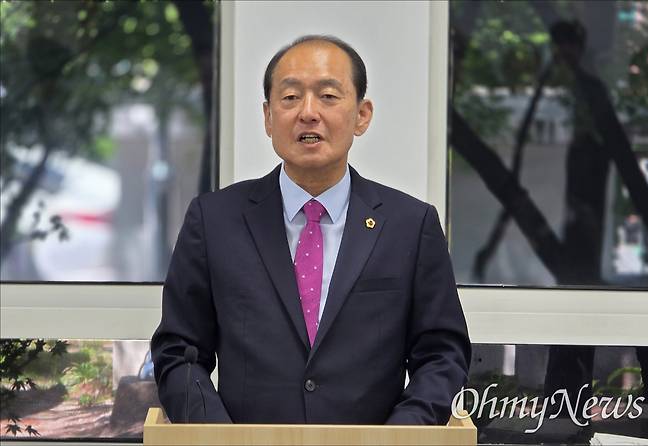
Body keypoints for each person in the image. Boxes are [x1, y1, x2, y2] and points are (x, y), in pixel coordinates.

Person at [151, 35, 471, 425]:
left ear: (362, 115)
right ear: (268, 117)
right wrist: (219, 438)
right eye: (290, 97)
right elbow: (179, 352)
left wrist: (400, 436)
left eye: (328, 96)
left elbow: (442, 354)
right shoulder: (214, 220)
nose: (308, 112)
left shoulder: (410, 225)